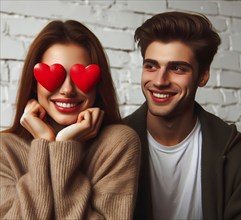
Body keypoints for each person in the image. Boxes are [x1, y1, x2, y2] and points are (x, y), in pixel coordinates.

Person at [0, 20, 141, 219]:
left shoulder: (118, 142)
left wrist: (64, 145)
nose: (67, 90)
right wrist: (44, 143)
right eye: (55, 77)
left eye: (79, 77)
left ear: (97, 85)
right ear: (34, 84)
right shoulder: (4, 149)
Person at [124, 11, 241, 220]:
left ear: (203, 76)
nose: (160, 80)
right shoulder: (113, 144)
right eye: (151, 66)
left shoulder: (238, 155)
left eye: (178, 68)